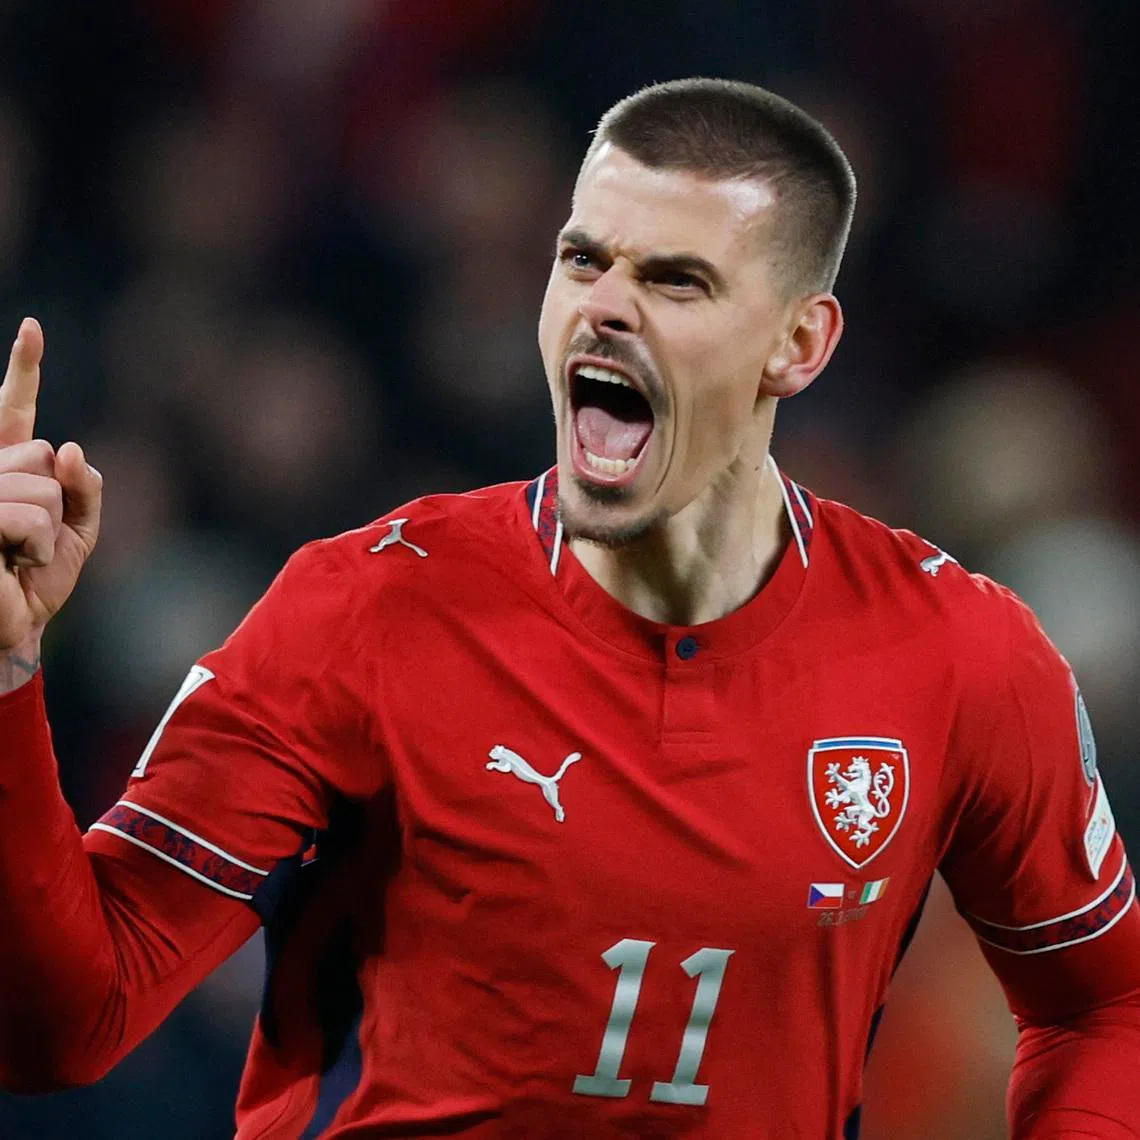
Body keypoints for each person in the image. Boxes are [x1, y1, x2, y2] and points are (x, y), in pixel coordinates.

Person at [0, 78, 1137, 1140]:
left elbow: (1105, 1007)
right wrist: (6, 676)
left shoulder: (960, 657)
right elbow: (64, 1024)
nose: (602, 310)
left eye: (674, 280)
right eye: (582, 261)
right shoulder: (365, 612)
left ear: (799, 343)